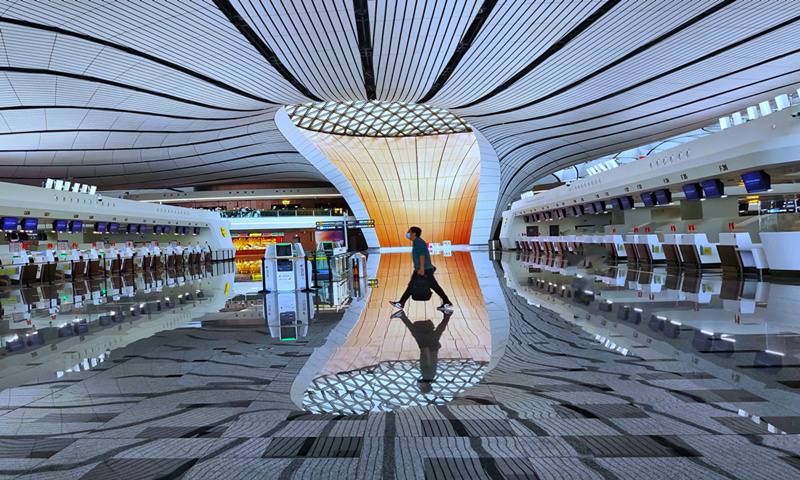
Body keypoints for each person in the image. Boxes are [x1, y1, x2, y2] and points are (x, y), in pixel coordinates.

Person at [389, 226, 452, 311]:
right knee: (420, 285)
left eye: (409, 232)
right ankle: (401, 302)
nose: (408, 234)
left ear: (414, 233)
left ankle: (401, 303)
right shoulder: (417, 241)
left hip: (423, 269)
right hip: (424, 268)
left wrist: (421, 268)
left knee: (418, 285)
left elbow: (422, 255)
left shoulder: (418, 241)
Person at [391, 309, 452, 393]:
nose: (419, 385)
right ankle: (402, 315)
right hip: (428, 349)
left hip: (431, 349)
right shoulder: (428, 376)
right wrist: (427, 352)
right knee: (417, 333)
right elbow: (429, 364)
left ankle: (447, 315)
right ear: (425, 386)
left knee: (435, 333)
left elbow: (433, 363)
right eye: (420, 387)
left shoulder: (429, 377)